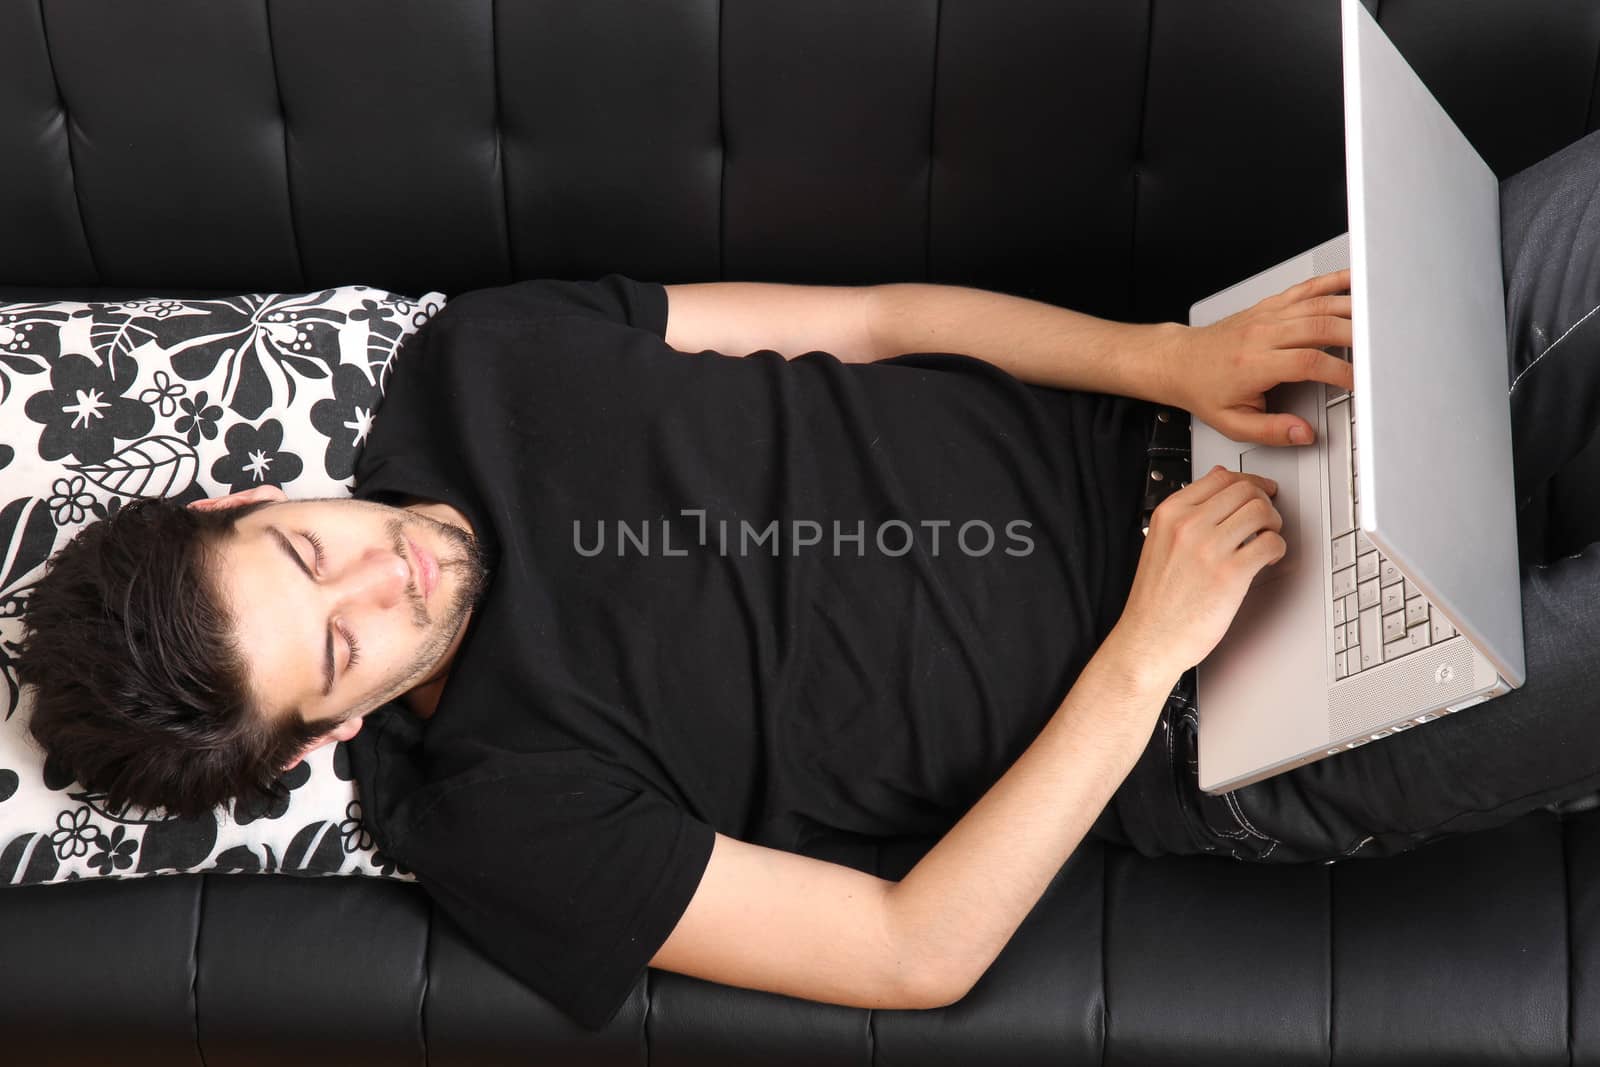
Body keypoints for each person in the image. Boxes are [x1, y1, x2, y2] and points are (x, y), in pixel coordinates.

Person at [13, 267, 1597, 1032]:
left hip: (1206, 419)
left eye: (308, 547)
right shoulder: (485, 815)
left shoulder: (481, 355)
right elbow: (914, 954)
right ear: (318, 740)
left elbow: (880, 321)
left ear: (247, 490)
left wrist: (1171, 357)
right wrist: (1146, 651)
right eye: (340, 649)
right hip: (1223, 707)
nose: (391, 576)